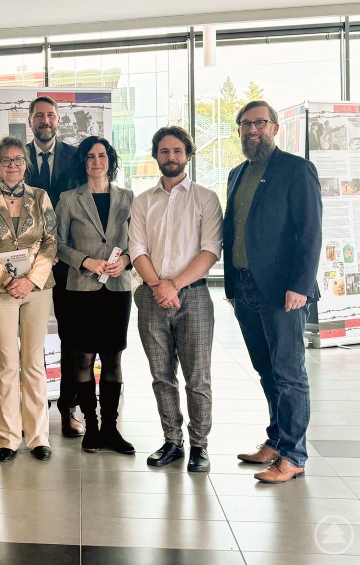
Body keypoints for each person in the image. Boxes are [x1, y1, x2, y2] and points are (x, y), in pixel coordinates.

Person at [224, 100, 322, 484]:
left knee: (289, 373)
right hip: (245, 287)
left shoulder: (296, 170)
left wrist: (299, 285)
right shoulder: (236, 173)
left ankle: (294, 456)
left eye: (260, 123)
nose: (253, 130)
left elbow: (310, 232)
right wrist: (232, 285)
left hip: (283, 292)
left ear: (275, 128)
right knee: (266, 370)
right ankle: (277, 441)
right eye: (246, 124)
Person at [129, 126, 223, 473]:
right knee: (161, 375)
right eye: (164, 151)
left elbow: (211, 249)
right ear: (156, 156)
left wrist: (175, 285)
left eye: (177, 151)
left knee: (198, 377)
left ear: (188, 155)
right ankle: (172, 441)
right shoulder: (143, 201)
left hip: (194, 297)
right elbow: (136, 249)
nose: (171, 157)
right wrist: (158, 285)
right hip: (152, 297)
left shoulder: (206, 198)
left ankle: (200, 445)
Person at [0, 136, 57, 463]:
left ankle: (37, 437)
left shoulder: (40, 197)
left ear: (25, 164)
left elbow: (51, 243)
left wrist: (30, 281)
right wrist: (7, 280)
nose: (12, 165)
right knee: (6, 364)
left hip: (37, 288)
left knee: (34, 363)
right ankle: (7, 438)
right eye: (6, 160)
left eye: (18, 159)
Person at [55, 136, 135, 455]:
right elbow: (57, 244)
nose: (96, 161)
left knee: (113, 358)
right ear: (83, 163)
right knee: (84, 358)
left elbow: (138, 243)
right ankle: (91, 425)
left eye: (102, 156)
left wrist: (126, 260)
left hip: (117, 289)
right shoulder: (68, 199)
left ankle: (110, 429)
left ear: (110, 160)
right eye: (90, 157)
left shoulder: (129, 198)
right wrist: (85, 261)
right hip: (82, 290)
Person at [24, 95, 83, 438]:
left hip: (68, 261)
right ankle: (36, 406)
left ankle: (69, 407)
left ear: (58, 121)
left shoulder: (76, 157)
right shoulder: (18, 156)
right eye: (39, 116)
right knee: (31, 336)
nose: (45, 121)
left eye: (50, 115)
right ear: (30, 121)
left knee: (71, 335)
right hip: (29, 263)